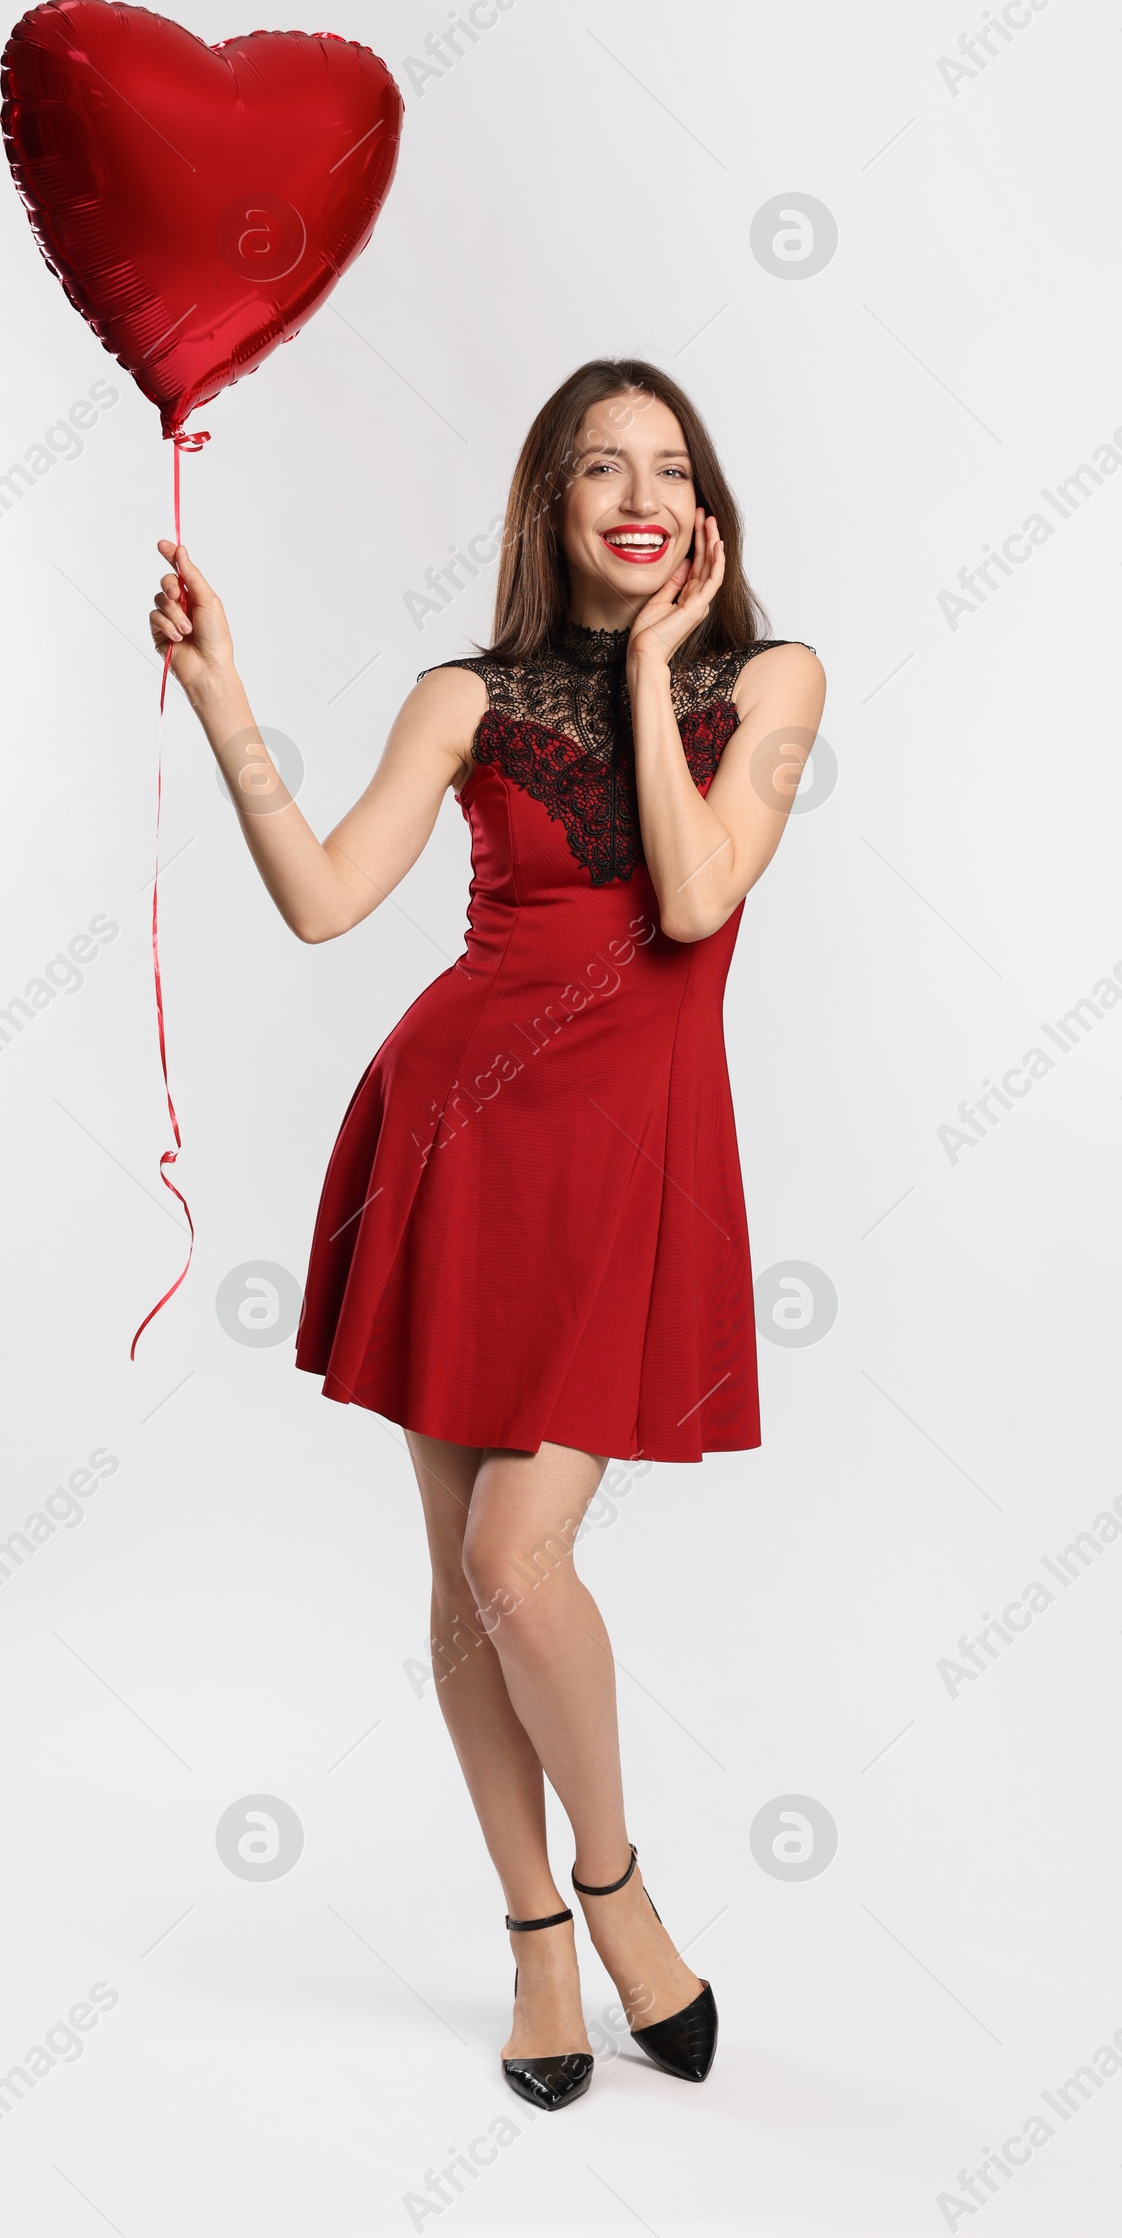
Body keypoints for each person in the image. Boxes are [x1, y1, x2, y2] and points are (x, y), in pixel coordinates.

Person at [149, 358, 825, 2109]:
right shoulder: (469, 694)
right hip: (456, 1134)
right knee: (466, 1585)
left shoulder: (771, 679)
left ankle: (615, 1895)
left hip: (632, 1164)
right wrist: (229, 701)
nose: (636, 492)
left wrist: (662, 666)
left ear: (706, 506)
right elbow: (321, 903)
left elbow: (691, 900)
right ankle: (535, 1937)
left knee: (522, 1562)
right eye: (598, 465)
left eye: (668, 465)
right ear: (549, 502)